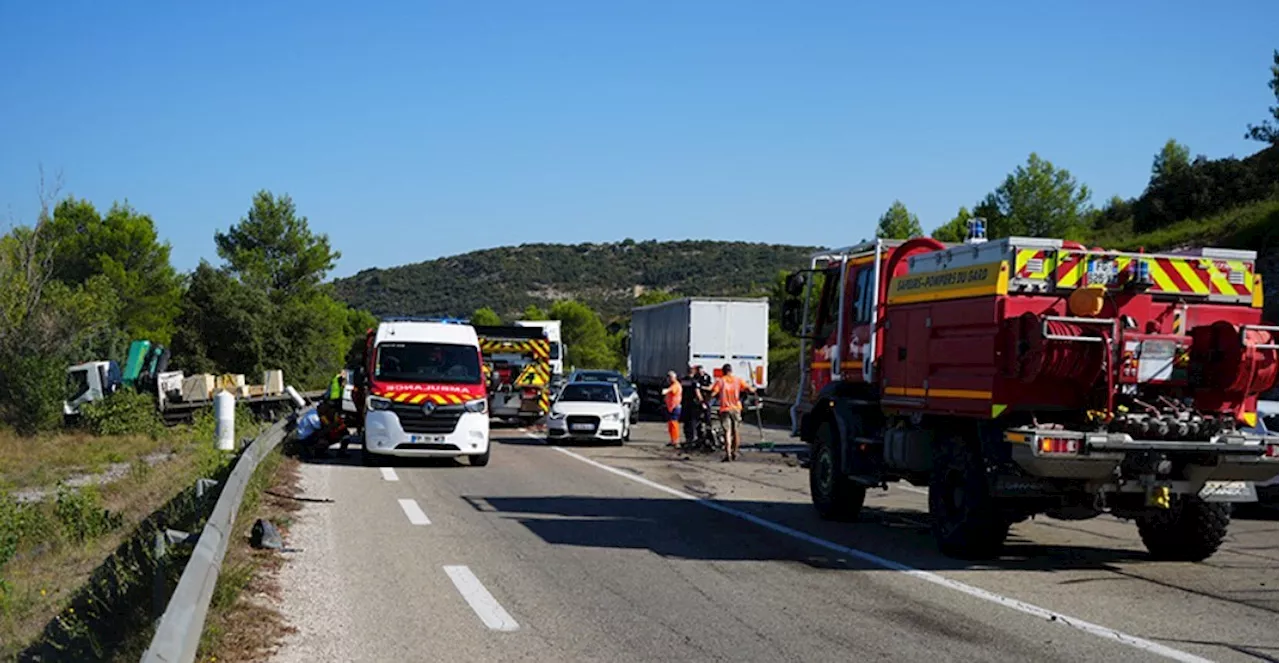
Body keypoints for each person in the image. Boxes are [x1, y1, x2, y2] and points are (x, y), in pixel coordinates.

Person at [710, 363, 754, 462]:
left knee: (727, 432)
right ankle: (735, 451)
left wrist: (707, 397)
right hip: (736, 408)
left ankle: (728, 453)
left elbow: (713, 393)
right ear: (731, 370)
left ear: (723, 371)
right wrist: (753, 389)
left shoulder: (720, 381)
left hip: (725, 408)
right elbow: (748, 389)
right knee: (736, 431)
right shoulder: (738, 380)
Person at [660, 370, 683, 448]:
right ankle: (673, 440)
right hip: (671, 407)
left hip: (675, 407)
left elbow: (670, 390)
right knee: (670, 424)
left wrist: (665, 391)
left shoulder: (675, 385)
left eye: (669, 377)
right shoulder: (672, 384)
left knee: (674, 424)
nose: (668, 379)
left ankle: (676, 441)